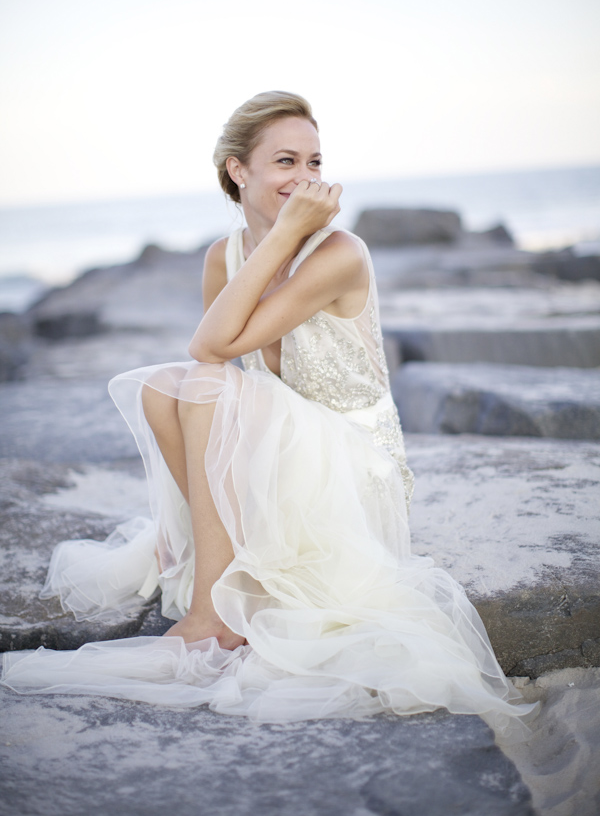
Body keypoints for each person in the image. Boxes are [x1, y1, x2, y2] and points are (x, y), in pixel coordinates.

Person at [1, 91, 535, 735]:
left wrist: (285, 233)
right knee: (164, 387)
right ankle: (217, 564)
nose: (306, 178)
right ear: (238, 170)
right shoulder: (222, 257)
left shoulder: (340, 253)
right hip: (275, 455)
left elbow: (211, 347)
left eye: (315, 162)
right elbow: (208, 366)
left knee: (203, 379)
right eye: (285, 161)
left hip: (351, 466)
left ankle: (210, 619)